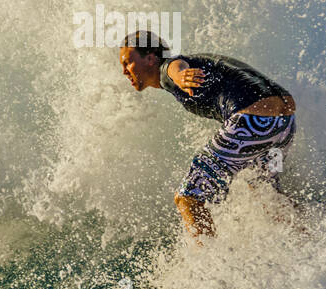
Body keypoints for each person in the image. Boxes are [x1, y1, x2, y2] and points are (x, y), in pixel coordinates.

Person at [118, 30, 296, 242]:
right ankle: (307, 240)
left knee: (188, 197)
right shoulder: (194, 62)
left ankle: (206, 266)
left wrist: (181, 76)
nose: (124, 72)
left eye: (128, 63)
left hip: (253, 123)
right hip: (284, 125)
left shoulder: (168, 69)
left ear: (150, 58)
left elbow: (175, 68)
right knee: (265, 193)